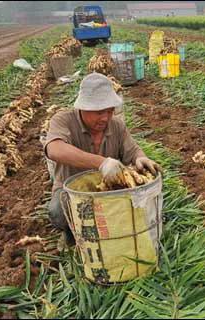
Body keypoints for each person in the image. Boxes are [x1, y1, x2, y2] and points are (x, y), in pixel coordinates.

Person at [44, 73, 161, 246]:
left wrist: (141, 158)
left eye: (109, 110)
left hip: (111, 190)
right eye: (99, 112)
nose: (105, 117)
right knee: (58, 211)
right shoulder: (63, 120)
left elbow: (133, 150)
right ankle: (72, 234)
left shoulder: (116, 125)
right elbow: (54, 149)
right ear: (82, 108)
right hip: (73, 193)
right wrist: (102, 162)